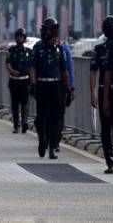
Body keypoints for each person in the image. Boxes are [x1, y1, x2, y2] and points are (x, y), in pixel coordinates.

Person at [29, 17, 69, 160]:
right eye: (44, 29)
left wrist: (68, 89)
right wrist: (33, 84)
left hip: (56, 86)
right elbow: (33, 67)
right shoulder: (37, 48)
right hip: (42, 85)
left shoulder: (59, 49)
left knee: (55, 119)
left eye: (48, 30)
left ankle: (52, 147)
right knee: (41, 119)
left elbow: (64, 71)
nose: (45, 32)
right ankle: (42, 140)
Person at [90, 16, 113, 173]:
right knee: (106, 128)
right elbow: (94, 72)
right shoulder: (99, 49)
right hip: (104, 89)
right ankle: (110, 161)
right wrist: (93, 93)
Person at [6, 28, 32, 133]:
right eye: (18, 36)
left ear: (24, 38)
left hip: (25, 81)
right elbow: (7, 65)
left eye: (21, 36)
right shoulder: (11, 51)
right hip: (14, 81)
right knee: (15, 104)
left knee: (25, 104)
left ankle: (24, 122)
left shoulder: (28, 52)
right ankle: (16, 125)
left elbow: (31, 67)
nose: (19, 38)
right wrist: (12, 71)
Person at [56, 37, 75, 151]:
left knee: (60, 114)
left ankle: (56, 139)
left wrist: (71, 86)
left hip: (62, 86)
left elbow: (69, 68)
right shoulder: (40, 47)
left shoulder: (64, 49)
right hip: (46, 86)